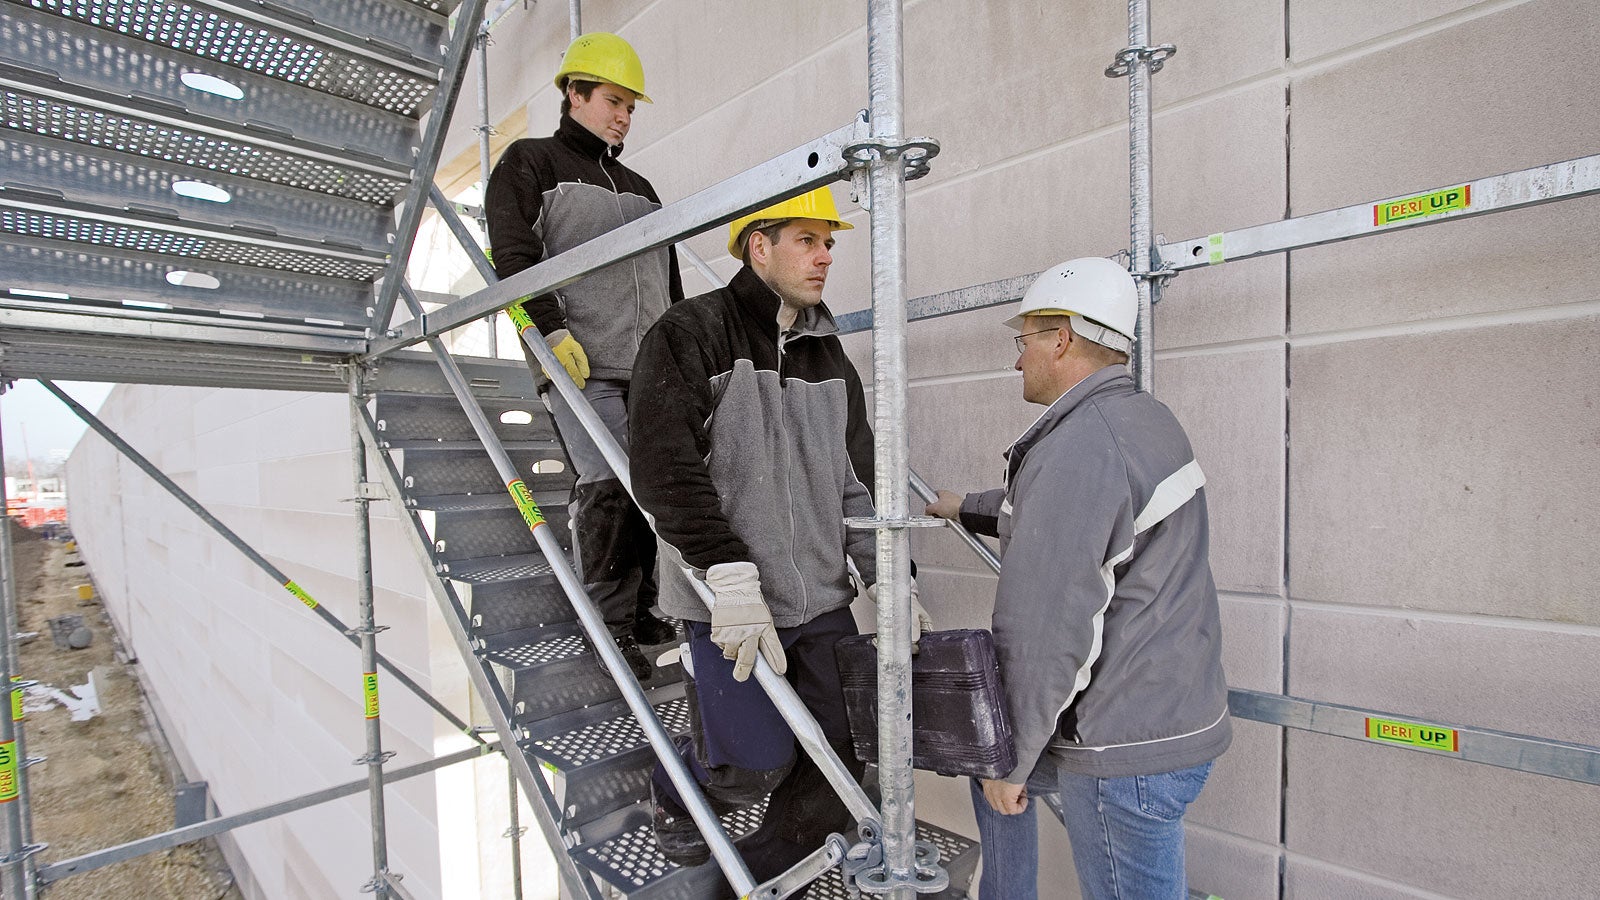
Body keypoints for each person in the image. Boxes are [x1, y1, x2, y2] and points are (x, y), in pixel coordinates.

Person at [628, 187, 933, 881]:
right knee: (752, 761)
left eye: (830, 241)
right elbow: (663, 468)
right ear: (757, 246)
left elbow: (862, 482)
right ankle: (676, 790)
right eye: (807, 238)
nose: (826, 255)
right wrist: (725, 573)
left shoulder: (830, 357)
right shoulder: (689, 333)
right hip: (726, 604)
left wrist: (891, 576)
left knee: (837, 759)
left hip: (820, 602)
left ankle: (754, 878)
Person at [925, 257, 1231, 900]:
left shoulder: (1080, 447)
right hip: (1168, 710)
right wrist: (965, 506)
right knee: (978, 758)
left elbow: (1048, 628)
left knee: (997, 764)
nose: (1018, 361)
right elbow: (1069, 520)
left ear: (1060, 338)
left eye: (1025, 341)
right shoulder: (1138, 420)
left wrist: (1012, 761)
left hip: (1123, 746)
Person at [485, 32, 683, 680]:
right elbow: (509, 269)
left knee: (656, 486)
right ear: (575, 94)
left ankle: (647, 609)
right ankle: (606, 628)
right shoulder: (528, 165)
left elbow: (669, 285)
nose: (625, 116)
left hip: (649, 366)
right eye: (614, 101)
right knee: (607, 486)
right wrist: (544, 334)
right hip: (579, 364)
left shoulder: (642, 187)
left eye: (632, 106)